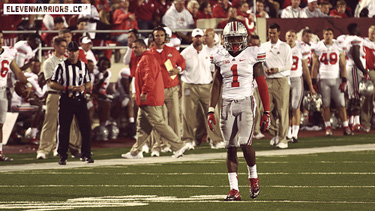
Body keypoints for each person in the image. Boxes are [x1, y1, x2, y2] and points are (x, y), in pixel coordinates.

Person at [208, 21, 270, 201]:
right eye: (231, 38)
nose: (234, 41)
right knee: (230, 147)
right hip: (226, 103)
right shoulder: (219, 55)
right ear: (225, 39)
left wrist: (267, 111)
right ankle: (234, 189)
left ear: (244, 38)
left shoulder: (253, 53)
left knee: (245, 143)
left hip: (246, 101)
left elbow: (261, 82)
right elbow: (216, 83)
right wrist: (211, 109)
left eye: (237, 38)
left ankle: (253, 176)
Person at [121, 39, 188, 159]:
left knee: (159, 123)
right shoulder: (145, 58)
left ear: (142, 47)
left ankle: (178, 145)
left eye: (136, 47)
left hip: (150, 98)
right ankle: (135, 151)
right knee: (142, 127)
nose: (134, 50)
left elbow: (149, 77)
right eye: (133, 47)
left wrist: (144, 92)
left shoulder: (147, 58)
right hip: (146, 98)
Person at [37, 37, 82, 160]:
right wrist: (67, 86)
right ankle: (44, 149)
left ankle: (73, 148)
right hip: (54, 94)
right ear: (55, 46)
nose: (65, 48)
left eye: (65, 46)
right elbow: (52, 82)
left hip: (67, 95)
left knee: (71, 123)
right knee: (50, 123)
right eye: (62, 46)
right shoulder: (49, 62)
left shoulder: (68, 61)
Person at [50, 41, 93, 165]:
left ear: (78, 52)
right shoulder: (61, 66)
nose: (73, 54)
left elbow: (88, 82)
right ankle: (62, 155)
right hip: (66, 99)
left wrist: (84, 87)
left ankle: (86, 154)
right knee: (64, 128)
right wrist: (65, 88)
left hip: (80, 100)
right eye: (71, 51)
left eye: (75, 51)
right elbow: (52, 83)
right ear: (67, 52)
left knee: (86, 128)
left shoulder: (84, 66)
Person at [180, 28, 224, 150]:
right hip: (189, 85)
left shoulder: (209, 52)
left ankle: (216, 139)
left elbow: (215, 70)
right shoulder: (185, 53)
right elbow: (178, 69)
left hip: (206, 85)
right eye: (196, 36)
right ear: (192, 38)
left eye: (200, 36)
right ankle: (188, 139)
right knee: (188, 114)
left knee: (212, 113)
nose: (198, 38)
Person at [149, 26, 186, 152]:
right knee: (159, 119)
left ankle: (176, 144)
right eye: (156, 35)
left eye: (161, 35)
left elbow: (182, 62)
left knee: (175, 117)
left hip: (172, 88)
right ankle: (159, 145)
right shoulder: (149, 54)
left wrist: (178, 70)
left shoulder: (173, 51)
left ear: (165, 38)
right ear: (153, 38)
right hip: (156, 90)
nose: (159, 38)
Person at [311, 28, 352, 136]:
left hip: (336, 78)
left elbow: (343, 64)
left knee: (341, 104)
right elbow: (314, 65)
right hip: (323, 79)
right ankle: (328, 127)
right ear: (323, 35)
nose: (328, 36)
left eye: (330, 34)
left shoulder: (338, 46)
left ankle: (346, 126)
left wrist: (344, 79)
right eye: (326, 34)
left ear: (333, 35)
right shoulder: (318, 47)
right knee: (326, 105)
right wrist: (313, 81)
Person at [261, 23, 292, 149]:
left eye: (274, 33)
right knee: (265, 109)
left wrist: (276, 69)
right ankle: (274, 133)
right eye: (269, 33)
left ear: (279, 33)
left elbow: (289, 65)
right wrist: (265, 71)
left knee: (282, 110)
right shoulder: (263, 46)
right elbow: (260, 63)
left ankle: (283, 138)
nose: (271, 35)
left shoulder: (285, 47)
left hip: (281, 80)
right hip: (267, 80)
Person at [0, 30, 30, 161]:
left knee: (0, 124)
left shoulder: (8, 53)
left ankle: (0, 152)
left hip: (2, 90)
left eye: (1, 37)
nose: (0, 40)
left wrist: (27, 84)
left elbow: (17, 71)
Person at [285, 30, 316, 142]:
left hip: (297, 79)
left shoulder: (300, 49)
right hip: (285, 79)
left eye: (292, 36)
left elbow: (306, 69)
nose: (290, 38)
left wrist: (310, 86)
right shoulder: (283, 48)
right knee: (286, 107)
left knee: (295, 106)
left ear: (295, 37)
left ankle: (295, 133)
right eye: (288, 36)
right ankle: (288, 133)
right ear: (285, 37)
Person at [344, 23, 370, 132]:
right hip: (355, 68)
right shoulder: (355, 39)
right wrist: (364, 71)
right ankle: (355, 122)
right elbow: (355, 56)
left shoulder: (347, 39)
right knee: (355, 95)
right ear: (355, 29)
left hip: (352, 68)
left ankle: (352, 122)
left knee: (353, 96)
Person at [361, 25, 375, 132]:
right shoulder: (364, 43)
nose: (373, 35)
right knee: (368, 97)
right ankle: (366, 122)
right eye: (372, 33)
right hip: (370, 71)